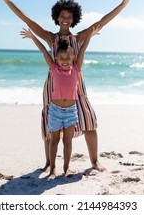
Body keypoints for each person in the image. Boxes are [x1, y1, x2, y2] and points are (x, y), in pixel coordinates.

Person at [0, 0, 132, 172]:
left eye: (69, 16)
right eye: (62, 16)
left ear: (74, 18)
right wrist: (8, 1)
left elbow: (103, 21)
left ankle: (94, 161)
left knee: (89, 121)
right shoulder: (50, 38)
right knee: (50, 126)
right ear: (56, 17)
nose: (65, 19)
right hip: (54, 86)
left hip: (77, 85)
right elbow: (27, 20)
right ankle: (48, 163)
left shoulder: (78, 38)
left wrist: (123, 4)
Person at [20, 26, 98, 178]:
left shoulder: (76, 68)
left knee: (68, 142)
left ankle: (66, 169)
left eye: (67, 58)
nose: (64, 61)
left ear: (73, 58)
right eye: (61, 58)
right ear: (56, 59)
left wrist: (89, 36)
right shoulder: (53, 68)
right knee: (54, 140)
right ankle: (53, 169)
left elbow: (83, 51)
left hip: (71, 111)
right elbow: (44, 50)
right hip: (55, 111)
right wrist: (33, 37)